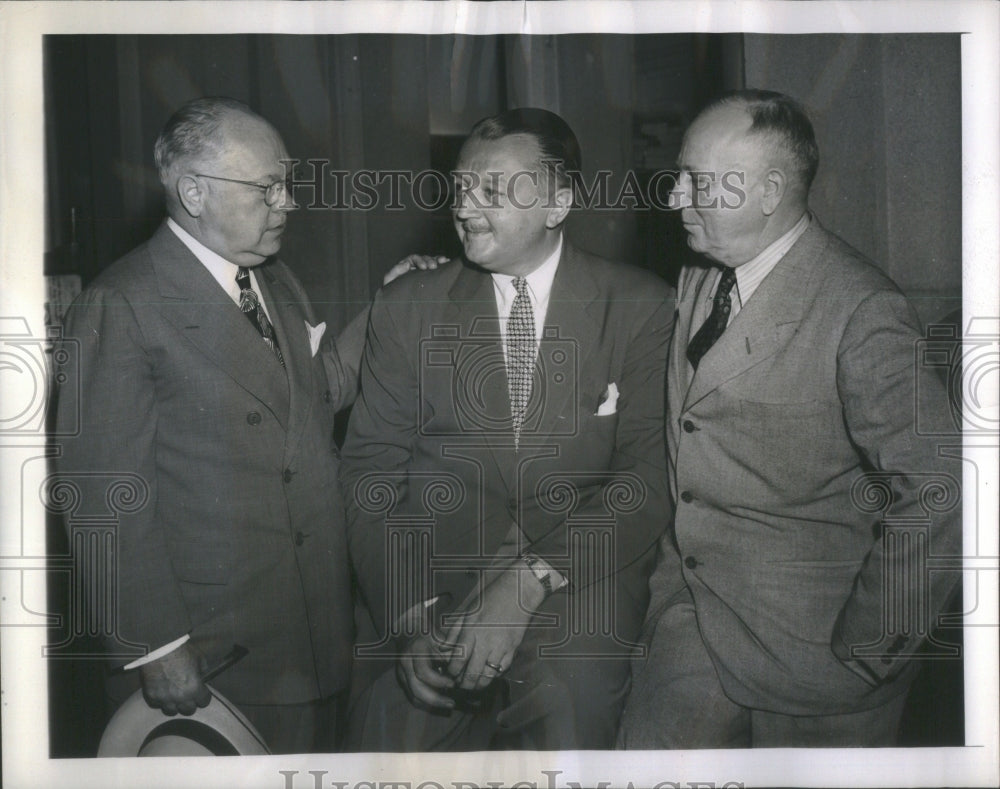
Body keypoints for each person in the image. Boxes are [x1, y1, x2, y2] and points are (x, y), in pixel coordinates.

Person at [53, 96, 425, 753]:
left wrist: (390, 306)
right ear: (193, 191)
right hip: (209, 660)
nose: (288, 202)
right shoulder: (122, 302)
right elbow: (100, 493)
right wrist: (155, 645)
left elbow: (313, 399)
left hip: (312, 637)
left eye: (288, 184)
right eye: (268, 188)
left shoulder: (274, 283)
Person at [618, 90, 962, 748]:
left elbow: (942, 484)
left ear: (769, 190)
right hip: (690, 625)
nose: (674, 199)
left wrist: (871, 646)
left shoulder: (860, 309)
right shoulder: (701, 270)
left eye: (698, 182)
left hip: (818, 657)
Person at [339, 108, 673, 750]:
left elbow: (649, 478)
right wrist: (409, 617)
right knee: (388, 742)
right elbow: (368, 473)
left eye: (491, 191)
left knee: (572, 708)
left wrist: (525, 582)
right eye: (460, 188)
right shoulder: (408, 306)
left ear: (558, 204)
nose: (464, 208)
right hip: (430, 579)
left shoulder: (641, 306)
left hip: (577, 579)